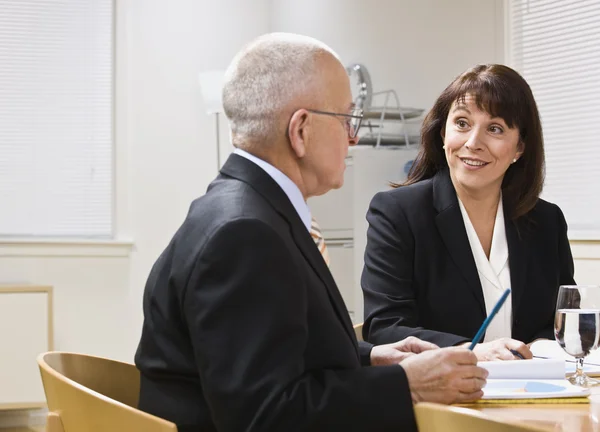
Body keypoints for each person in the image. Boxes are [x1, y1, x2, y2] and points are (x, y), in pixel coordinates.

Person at [135, 33, 487, 432]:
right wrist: (408, 385)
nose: (353, 138)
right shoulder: (246, 236)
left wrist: (372, 358)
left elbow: (275, 352)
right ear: (301, 130)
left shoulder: (242, 208)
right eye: (347, 119)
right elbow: (266, 416)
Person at [361, 64, 576, 361]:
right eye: (462, 123)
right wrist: (474, 352)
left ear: (519, 148)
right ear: (442, 133)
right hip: (440, 394)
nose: (473, 143)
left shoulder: (546, 221)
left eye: (495, 129)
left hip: (532, 389)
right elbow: (385, 328)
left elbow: (564, 324)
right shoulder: (397, 213)